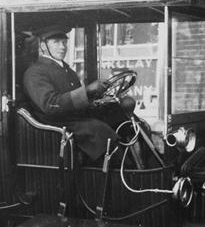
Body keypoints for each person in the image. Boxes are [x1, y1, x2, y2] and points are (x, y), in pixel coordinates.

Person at [22, 25, 132, 163]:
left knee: (118, 114)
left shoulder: (67, 70)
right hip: (57, 124)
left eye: (64, 42)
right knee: (99, 130)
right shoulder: (35, 73)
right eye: (56, 42)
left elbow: (81, 101)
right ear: (43, 45)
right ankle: (123, 172)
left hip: (71, 120)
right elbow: (49, 105)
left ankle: (139, 162)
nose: (62, 47)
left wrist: (100, 99)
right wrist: (87, 91)